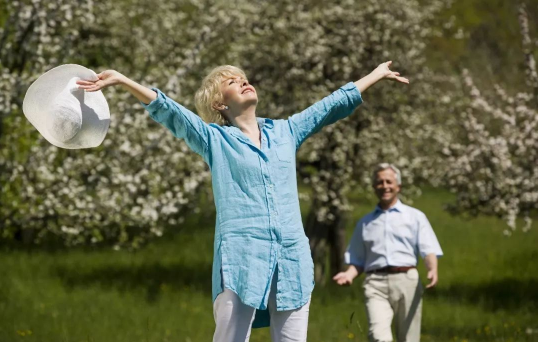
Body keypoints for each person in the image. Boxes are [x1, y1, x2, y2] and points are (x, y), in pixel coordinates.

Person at [77, 62, 409, 342]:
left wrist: (376, 74)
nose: (244, 83)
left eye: (244, 79)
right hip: (241, 259)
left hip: (292, 260)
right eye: (233, 84)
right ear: (221, 105)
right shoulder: (215, 139)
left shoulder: (286, 132)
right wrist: (122, 80)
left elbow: (330, 105)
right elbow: (170, 112)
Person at [333, 163, 443, 342]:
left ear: (398, 186)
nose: (385, 186)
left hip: (407, 280)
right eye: (380, 182)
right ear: (374, 187)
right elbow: (358, 260)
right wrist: (349, 275)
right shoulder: (365, 223)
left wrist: (432, 269)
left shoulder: (415, 217)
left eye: (389, 182)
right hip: (375, 283)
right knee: (378, 337)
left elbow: (428, 248)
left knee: (408, 338)